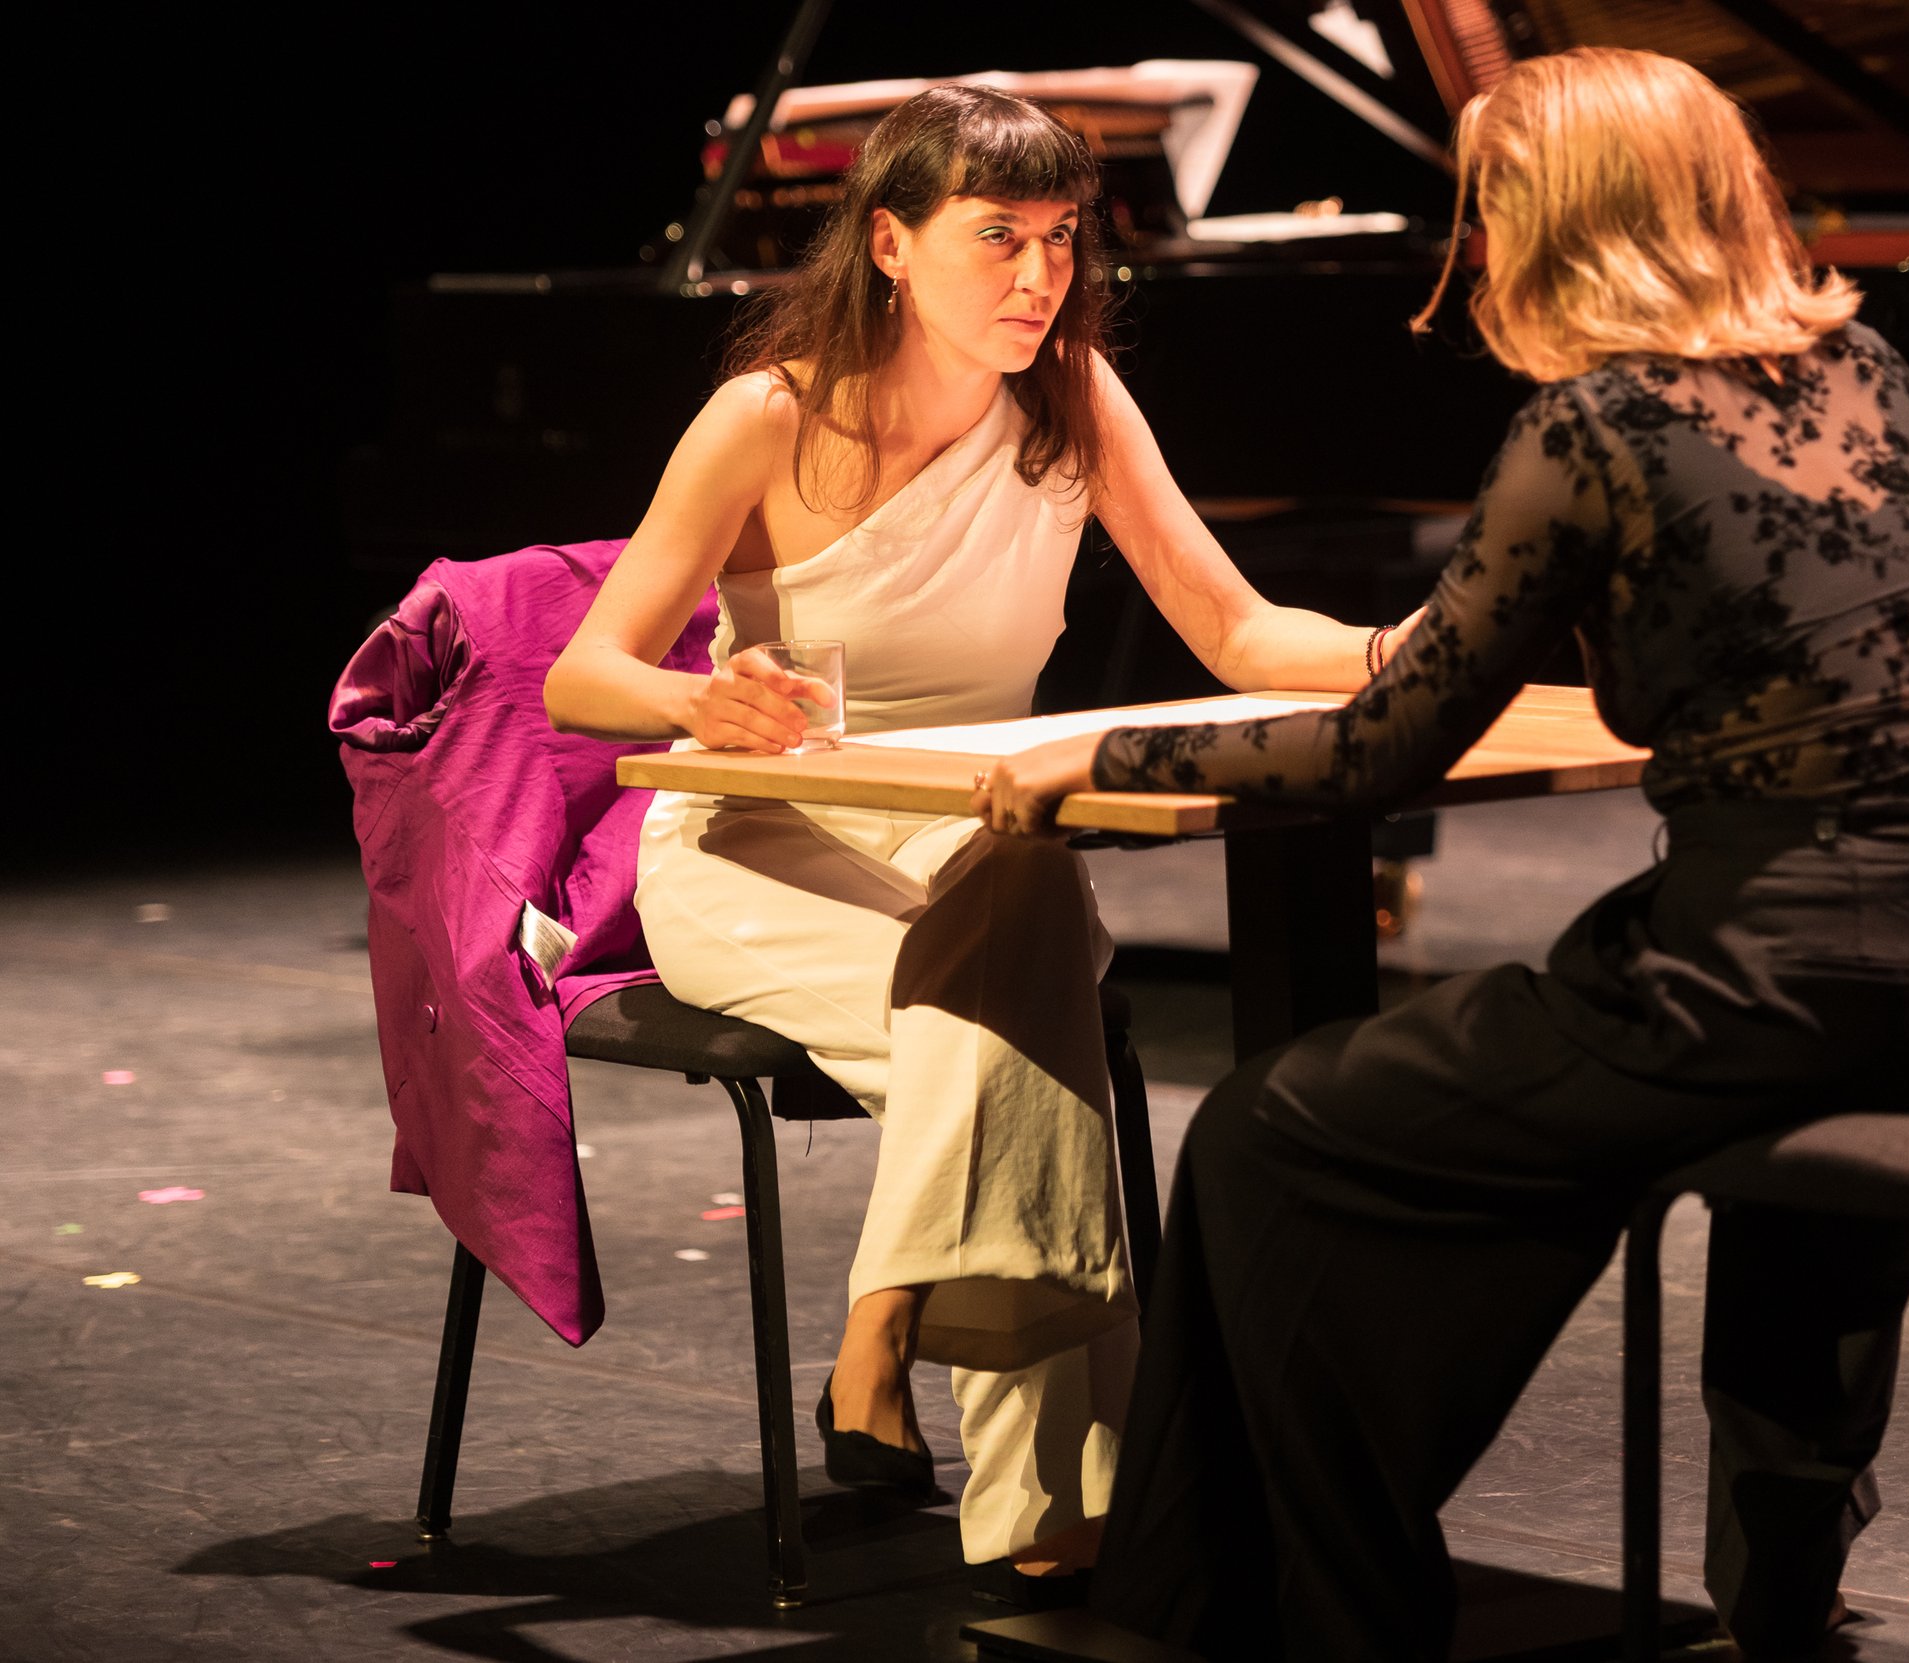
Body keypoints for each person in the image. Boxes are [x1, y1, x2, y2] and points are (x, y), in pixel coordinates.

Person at [974, 46, 1909, 1660]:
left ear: (1557, 219)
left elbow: (1376, 751)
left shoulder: (1593, 430)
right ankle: (1778, 1562)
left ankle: (1320, 1613)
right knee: (1503, 1123)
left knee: (1266, 1131)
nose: (1477, 238)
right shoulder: (1874, 368)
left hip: (1747, 996)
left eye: (1493, 204)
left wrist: (1098, 752)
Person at [543, 86, 1414, 1589]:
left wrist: (1429, 648)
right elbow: (583, 675)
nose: (1039, 276)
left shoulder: (1074, 397)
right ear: (889, 242)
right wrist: (706, 698)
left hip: (975, 842)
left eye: (1063, 240)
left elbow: (1240, 627)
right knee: (1022, 1003)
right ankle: (1050, 1503)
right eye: (997, 238)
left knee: (1007, 932)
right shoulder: (771, 413)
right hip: (765, 848)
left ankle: (896, 1318)